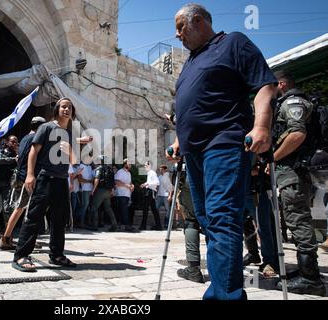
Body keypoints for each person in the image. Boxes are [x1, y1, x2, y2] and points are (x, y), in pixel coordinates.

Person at [168, 4, 276, 300]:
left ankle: (226, 296)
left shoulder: (233, 42)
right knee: (206, 219)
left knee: (221, 218)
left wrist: (262, 126)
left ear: (199, 21)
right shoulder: (191, 61)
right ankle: (219, 289)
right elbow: (191, 105)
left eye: (180, 27)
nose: (177, 35)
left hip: (224, 142)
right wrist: (179, 140)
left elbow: (266, 85)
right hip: (194, 152)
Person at [12, 98, 90, 272]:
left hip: (61, 181)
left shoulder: (68, 133)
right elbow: (34, 152)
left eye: (70, 107)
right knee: (34, 218)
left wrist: (71, 150)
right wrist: (30, 175)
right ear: (57, 109)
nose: (67, 109)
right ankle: (21, 256)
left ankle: (57, 255)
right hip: (45, 178)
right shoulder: (46, 127)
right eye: (64, 106)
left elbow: (74, 160)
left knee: (59, 221)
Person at [272, 71, 325, 296]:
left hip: (293, 169)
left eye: (273, 85)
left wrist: (273, 158)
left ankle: (310, 278)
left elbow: (296, 134)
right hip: (292, 170)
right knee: (296, 218)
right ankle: (306, 271)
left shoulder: (293, 102)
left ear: (281, 84)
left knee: (297, 218)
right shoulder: (288, 102)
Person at [0, 116, 46, 250]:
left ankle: (21, 238)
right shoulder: (36, 139)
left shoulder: (25, 138)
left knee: (22, 209)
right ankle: (7, 238)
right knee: (23, 209)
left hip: (21, 177)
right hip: (28, 179)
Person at [89, 156, 119, 232]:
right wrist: (111, 191)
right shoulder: (110, 169)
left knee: (94, 207)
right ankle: (115, 225)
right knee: (108, 208)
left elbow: (97, 179)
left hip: (100, 190)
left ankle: (94, 225)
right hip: (108, 191)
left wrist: (93, 190)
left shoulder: (100, 168)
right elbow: (112, 181)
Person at [114, 159, 135, 232]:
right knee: (123, 211)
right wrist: (127, 185)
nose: (130, 165)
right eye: (129, 164)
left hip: (127, 195)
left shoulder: (129, 173)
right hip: (121, 194)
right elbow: (116, 181)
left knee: (124, 211)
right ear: (125, 164)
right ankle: (126, 226)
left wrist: (132, 186)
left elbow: (130, 182)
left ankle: (121, 225)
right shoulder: (120, 172)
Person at [139, 161, 161, 230]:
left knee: (145, 209)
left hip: (150, 192)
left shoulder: (152, 173)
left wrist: (147, 184)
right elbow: (150, 182)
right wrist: (145, 184)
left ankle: (143, 226)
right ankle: (158, 225)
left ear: (149, 165)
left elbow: (157, 182)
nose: (144, 166)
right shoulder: (150, 173)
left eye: (146, 165)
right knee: (154, 209)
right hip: (151, 192)